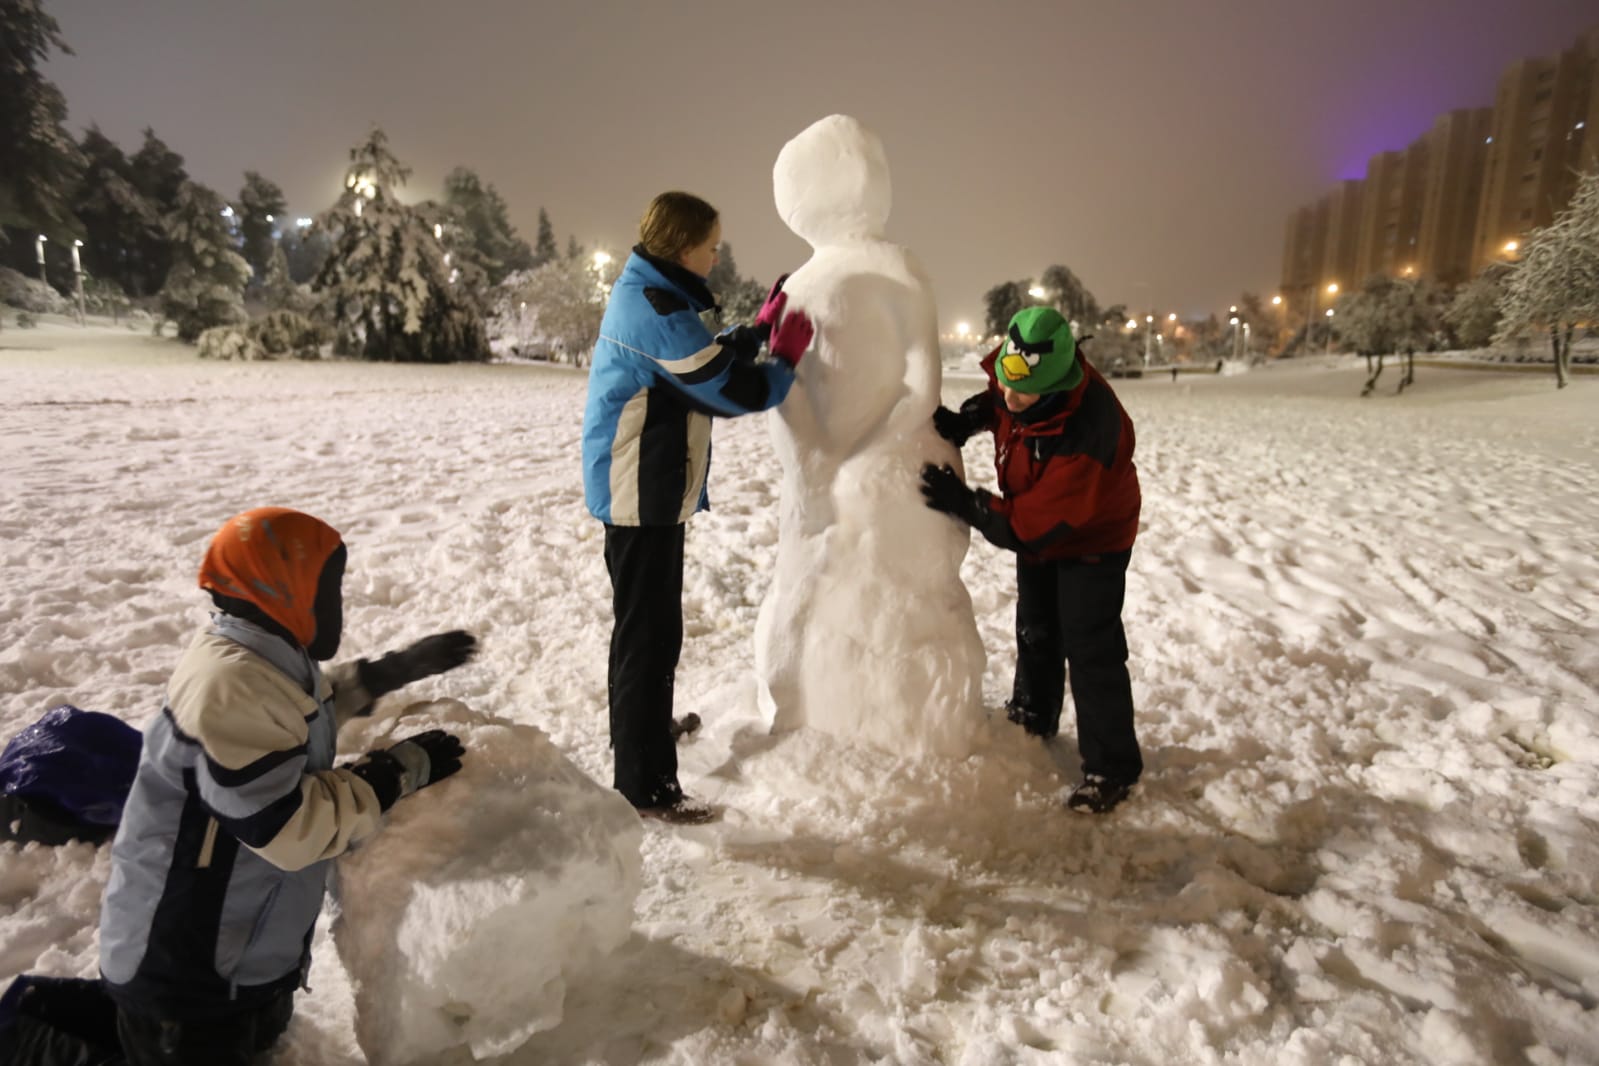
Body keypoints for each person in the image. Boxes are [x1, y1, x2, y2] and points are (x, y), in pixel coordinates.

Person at [98, 507, 478, 1065]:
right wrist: (394, 773)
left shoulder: (261, 659)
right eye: (328, 586)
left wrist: (389, 671)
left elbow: (300, 710)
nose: (335, 602)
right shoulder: (230, 685)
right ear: (283, 588)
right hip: (186, 977)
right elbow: (288, 827)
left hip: (241, 954)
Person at [582, 191, 814, 825]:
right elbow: (726, 388)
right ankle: (646, 785)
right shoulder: (653, 309)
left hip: (646, 489)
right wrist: (783, 359)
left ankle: (645, 738)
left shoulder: (657, 294)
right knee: (647, 639)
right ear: (685, 247)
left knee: (649, 633)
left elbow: (701, 357)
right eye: (712, 244)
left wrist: (757, 331)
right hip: (638, 494)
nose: (718, 254)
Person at [920, 306, 1144, 814]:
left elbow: (1030, 525)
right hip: (1041, 523)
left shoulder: (1089, 434)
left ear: (1059, 383)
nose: (1011, 397)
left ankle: (1112, 767)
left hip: (1091, 539)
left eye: (1024, 394)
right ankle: (1033, 712)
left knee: (1091, 648)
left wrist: (967, 503)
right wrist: (971, 418)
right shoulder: (1025, 366)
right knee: (1037, 625)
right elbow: (1002, 395)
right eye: (1006, 384)